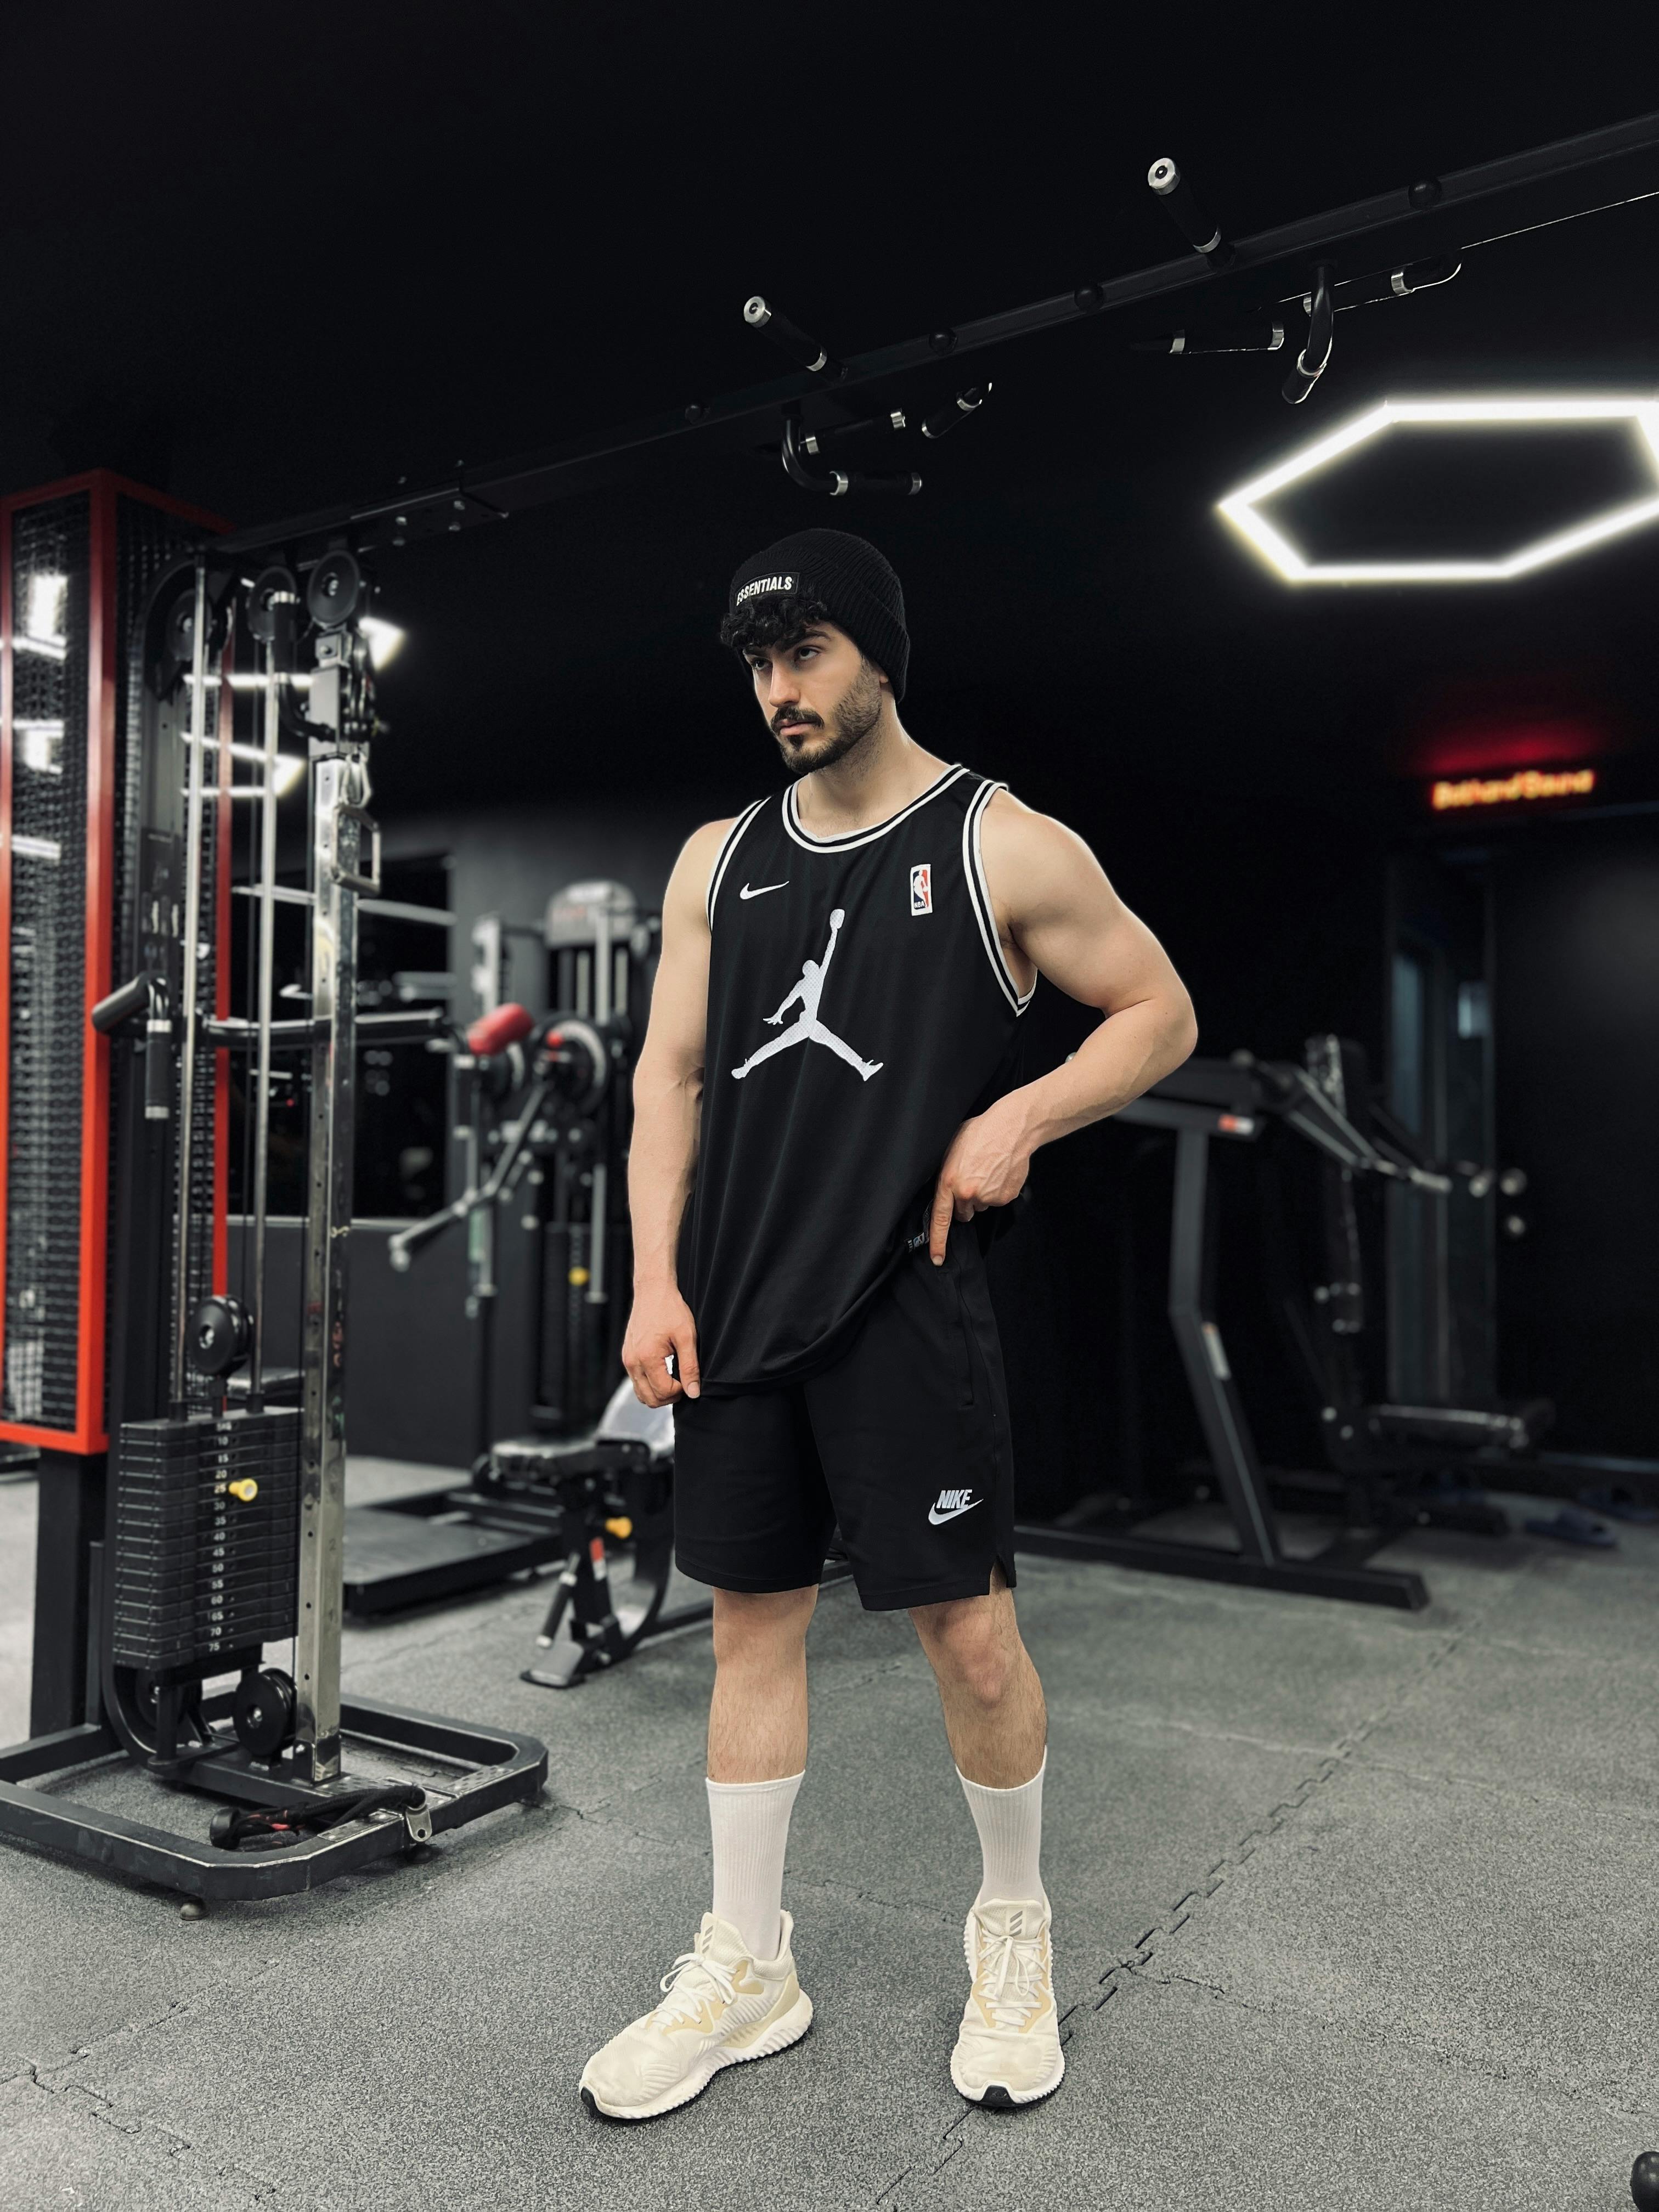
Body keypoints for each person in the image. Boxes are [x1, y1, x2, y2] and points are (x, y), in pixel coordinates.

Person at [580, 528, 1196, 2122]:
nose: (778, 691)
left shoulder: (1001, 843)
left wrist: (1024, 1121)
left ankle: (1014, 1931)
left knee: (972, 1638)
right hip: (729, 1305)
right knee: (746, 1631)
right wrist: (652, 1277)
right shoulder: (718, 857)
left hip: (904, 1306)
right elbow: (669, 1075)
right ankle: (745, 1963)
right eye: (758, 665)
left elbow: (1159, 1011)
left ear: (878, 656)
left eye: (806, 657)